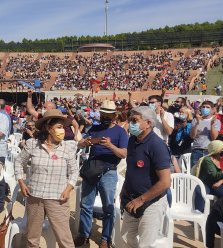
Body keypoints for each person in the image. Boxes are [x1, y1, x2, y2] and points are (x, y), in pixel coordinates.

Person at [15, 109, 78, 248]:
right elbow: (18, 162)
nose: (63, 130)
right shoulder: (33, 144)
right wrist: (21, 182)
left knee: (64, 238)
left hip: (57, 198)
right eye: (59, 127)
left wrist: (68, 189)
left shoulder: (66, 148)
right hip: (35, 196)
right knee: (32, 237)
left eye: (64, 127)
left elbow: (74, 171)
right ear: (49, 128)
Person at [74, 101, 128, 248]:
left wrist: (110, 146)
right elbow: (79, 144)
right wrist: (85, 142)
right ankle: (84, 235)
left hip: (109, 171)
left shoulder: (120, 132)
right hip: (92, 170)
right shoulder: (94, 128)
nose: (104, 117)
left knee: (108, 208)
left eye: (107, 115)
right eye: (102, 114)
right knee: (86, 205)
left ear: (114, 116)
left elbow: (124, 153)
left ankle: (105, 239)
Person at [121, 106, 172, 248]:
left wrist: (141, 200)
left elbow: (165, 182)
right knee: (126, 238)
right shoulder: (132, 140)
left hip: (151, 202)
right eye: (130, 119)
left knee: (146, 244)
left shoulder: (157, 145)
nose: (131, 123)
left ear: (148, 123)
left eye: (135, 120)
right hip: (131, 198)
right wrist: (124, 188)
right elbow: (131, 169)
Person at [193, 140, 223, 212]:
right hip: (205, 183)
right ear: (217, 149)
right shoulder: (207, 160)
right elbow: (215, 175)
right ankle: (199, 214)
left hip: (218, 183)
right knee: (199, 192)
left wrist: (221, 181)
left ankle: (221, 214)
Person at [189, 101, 221, 169]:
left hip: (209, 152)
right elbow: (192, 136)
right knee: (195, 173)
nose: (205, 108)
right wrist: (197, 123)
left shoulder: (216, 121)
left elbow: (214, 137)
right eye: (203, 107)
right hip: (197, 150)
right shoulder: (195, 120)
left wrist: (212, 124)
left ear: (212, 109)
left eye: (207, 107)